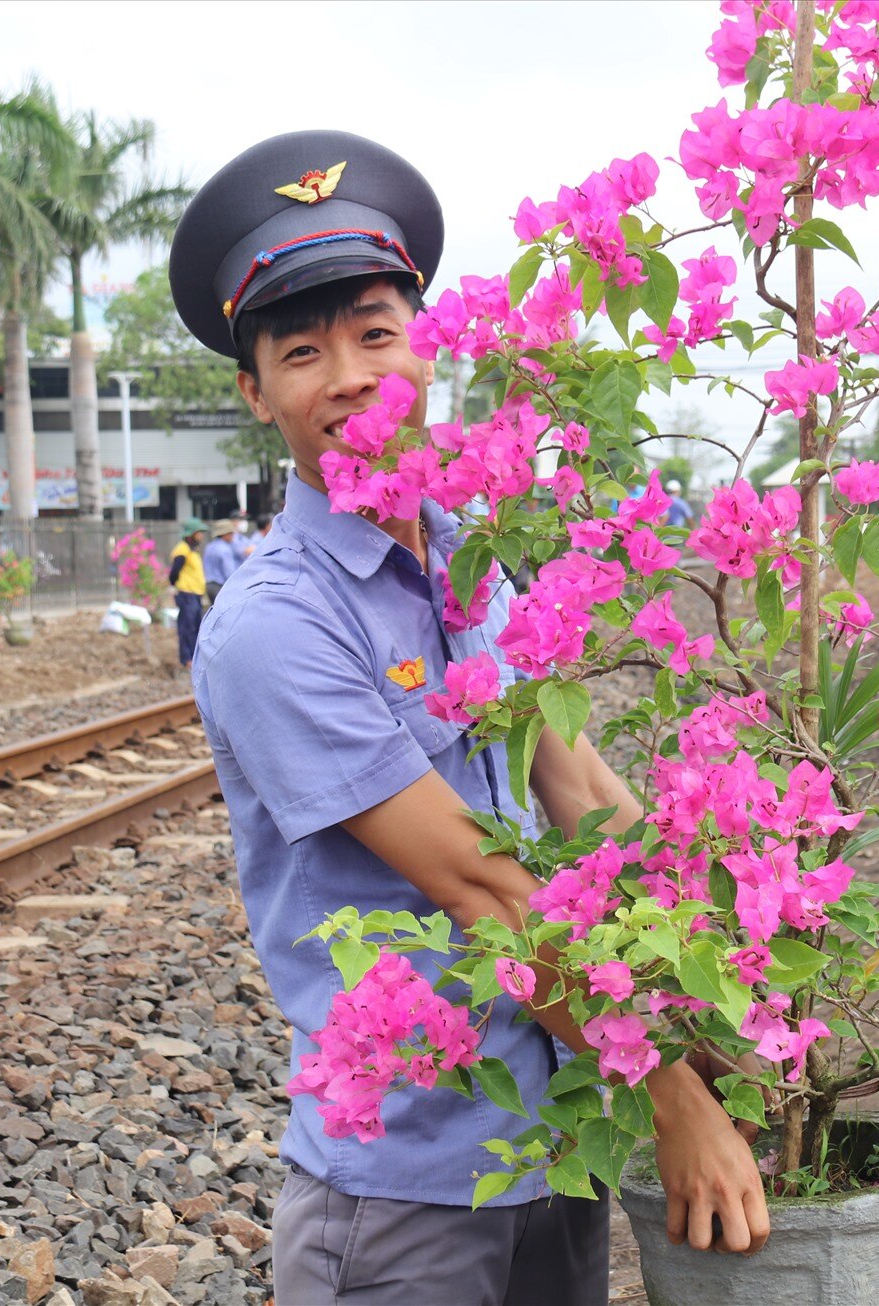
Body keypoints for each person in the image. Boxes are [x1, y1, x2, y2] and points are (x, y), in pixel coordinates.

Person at [168, 130, 765, 1306]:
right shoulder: (274, 625)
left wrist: (727, 1019)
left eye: (377, 335)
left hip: (551, 1152)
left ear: (425, 349)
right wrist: (674, 1094)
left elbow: (589, 799)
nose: (348, 376)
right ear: (254, 390)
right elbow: (484, 891)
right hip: (403, 1193)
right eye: (301, 352)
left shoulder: (470, 564)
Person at [169, 517, 209, 669]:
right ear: (190, 534)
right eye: (199, 533)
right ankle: (187, 658)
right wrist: (175, 586)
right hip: (187, 594)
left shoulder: (193, 550)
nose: (201, 536)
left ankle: (194, 656)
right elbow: (174, 572)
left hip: (195, 593)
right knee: (187, 626)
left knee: (196, 625)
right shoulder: (182, 550)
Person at [202, 518, 242, 605]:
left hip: (209, 586)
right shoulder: (225, 549)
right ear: (225, 534)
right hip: (220, 587)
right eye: (231, 533)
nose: (233, 536)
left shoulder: (209, 546)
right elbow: (229, 573)